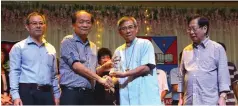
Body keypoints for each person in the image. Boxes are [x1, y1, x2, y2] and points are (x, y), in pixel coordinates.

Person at [59, 10, 114, 105]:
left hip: (89, 94)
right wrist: (100, 79)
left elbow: (94, 71)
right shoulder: (68, 41)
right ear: (73, 24)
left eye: (88, 22)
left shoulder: (93, 46)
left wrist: (105, 75)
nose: (85, 25)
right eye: (81, 22)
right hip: (72, 92)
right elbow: (76, 66)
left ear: (91, 25)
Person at [9, 12, 60, 105]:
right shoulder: (19, 47)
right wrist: (15, 96)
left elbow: (54, 75)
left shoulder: (51, 48)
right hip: (27, 92)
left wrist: (57, 95)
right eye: (34, 23)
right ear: (27, 27)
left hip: (47, 93)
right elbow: (14, 72)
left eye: (41, 23)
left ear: (45, 26)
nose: (38, 26)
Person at [178, 15, 230, 105]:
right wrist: (180, 98)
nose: (191, 32)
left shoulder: (217, 49)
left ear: (204, 29)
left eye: (194, 29)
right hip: (189, 102)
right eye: (189, 29)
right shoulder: (186, 50)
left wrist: (223, 97)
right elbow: (181, 76)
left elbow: (223, 76)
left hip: (210, 102)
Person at [109, 16, 161, 105]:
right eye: (124, 28)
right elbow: (115, 74)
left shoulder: (145, 44)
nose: (128, 31)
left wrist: (124, 74)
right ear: (120, 32)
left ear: (136, 29)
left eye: (130, 27)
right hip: (126, 97)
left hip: (145, 96)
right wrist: (109, 81)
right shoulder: (118, 50)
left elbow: (146, 68)